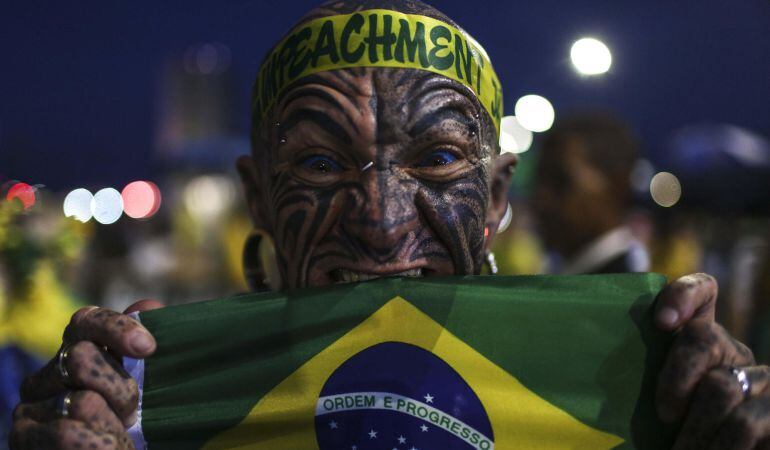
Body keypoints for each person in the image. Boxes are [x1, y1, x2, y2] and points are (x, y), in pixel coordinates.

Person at [9, 1, 769, 449]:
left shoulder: (619, 377)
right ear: (261, 198)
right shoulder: (160, 398)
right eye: (316, 166)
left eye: (438, 157)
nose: (380, 224)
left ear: (499, 193)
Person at [533, 113, 649, 274]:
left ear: (618, 184)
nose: (541, 200)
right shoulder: (576, 276)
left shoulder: (624, 293)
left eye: (560, 182)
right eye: (538, 184)